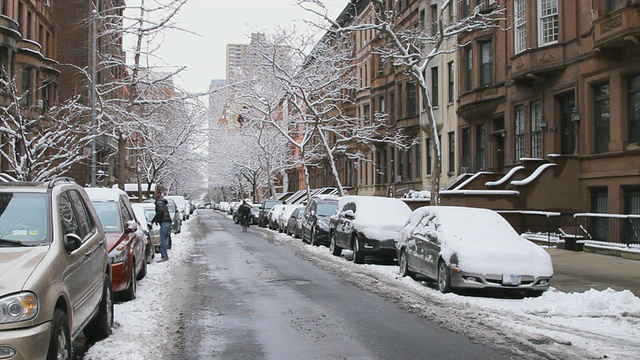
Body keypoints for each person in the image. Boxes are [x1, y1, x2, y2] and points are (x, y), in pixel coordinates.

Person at [152, 189, 172, 262]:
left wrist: (157, 220)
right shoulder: (161, 202)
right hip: (167, 222)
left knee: (163, 239)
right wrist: (154, 220)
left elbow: (160, 212)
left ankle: (164, 256)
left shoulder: (159, 203)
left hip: (164, 222)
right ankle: (165, 254)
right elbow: (159, 213)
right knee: (165, 238)